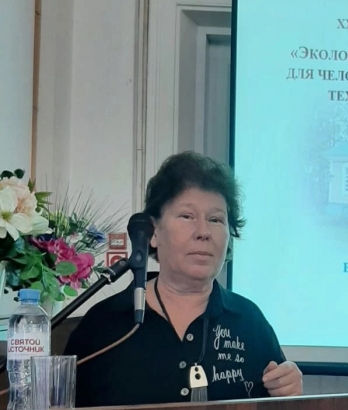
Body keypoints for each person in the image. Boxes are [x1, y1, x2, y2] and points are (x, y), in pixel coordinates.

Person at [63, 151, 303, 407]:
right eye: (187, 216)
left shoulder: (249, 322)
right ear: (153, 233)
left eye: (215, 219)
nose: (203, 232)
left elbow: (279, 396)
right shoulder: (103, 324)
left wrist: (290, 391)